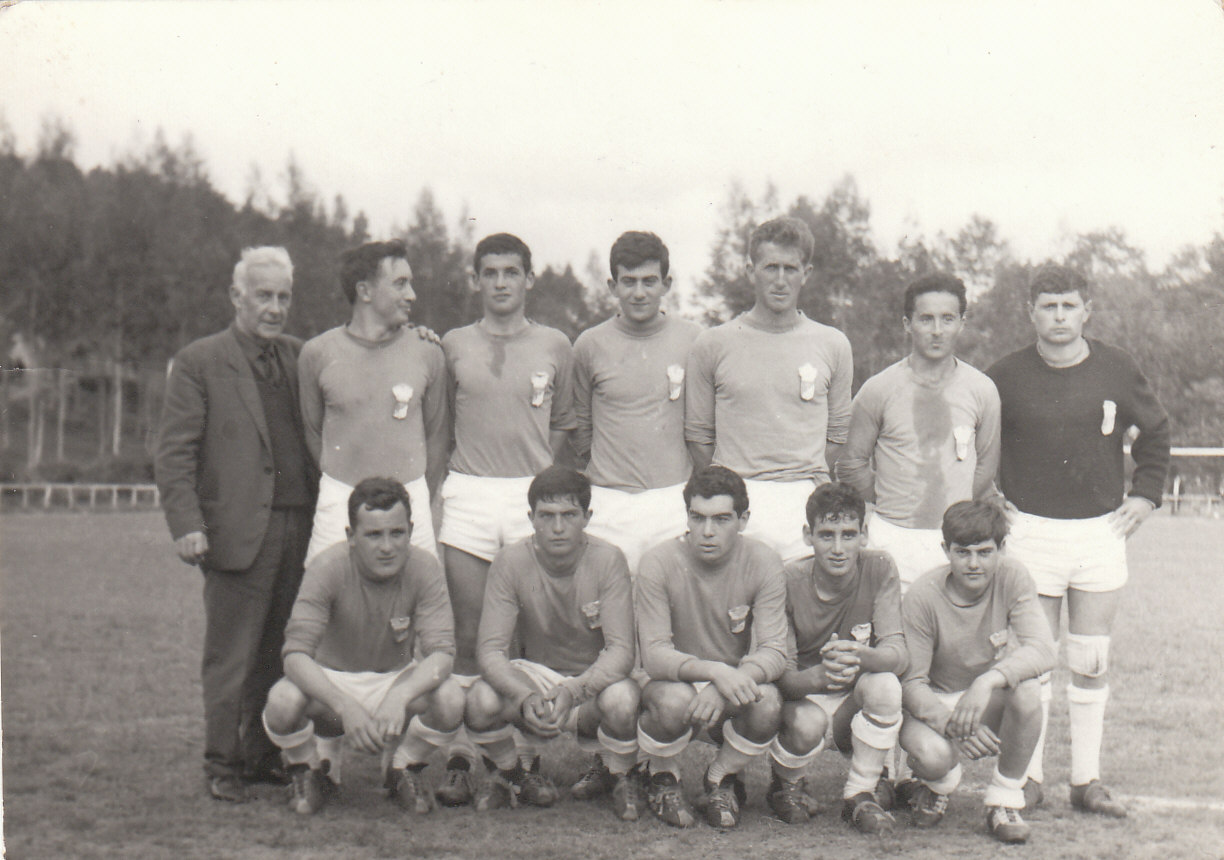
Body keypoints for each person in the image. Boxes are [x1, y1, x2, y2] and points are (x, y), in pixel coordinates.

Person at [987, 263, 1170, 816]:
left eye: (1069, 305)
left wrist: (1146, 494)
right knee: (1035, 662)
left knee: (1091, 658)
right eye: (1049, 306)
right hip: (1030, 531)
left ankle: (1086, 781)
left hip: (1098, 530)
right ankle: (1029, 777)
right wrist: (986, 492)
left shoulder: (1117, 367)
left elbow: (1156, 430)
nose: (1060, 316)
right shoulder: (1005, 374)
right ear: (1031, 313)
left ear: (1087, 310)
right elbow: (974, 435)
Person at [154, 246, 318, 803]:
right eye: (263, 295)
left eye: (283, 297)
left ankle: (261, 756)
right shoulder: (199, 361)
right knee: (232, 657)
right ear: (236, 297)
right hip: (237, 534)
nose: (275, 307)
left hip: (300, 529)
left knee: (279, 652)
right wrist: (186, 523)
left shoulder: (301, 356)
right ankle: (221, 764)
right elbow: (174, 453)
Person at [436, 233, 577, 803]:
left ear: (528, 279)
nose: (500, 282)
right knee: (470, 632)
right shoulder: (451, 344)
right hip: (469, 494)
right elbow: (441, 421)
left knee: (522, 634)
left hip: (529, 498)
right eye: (489, 272)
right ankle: (462, 756)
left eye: (511, 272)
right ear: (475, 280)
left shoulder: (555, 344)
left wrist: (538, 470)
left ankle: (521, 759)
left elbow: (563, 422)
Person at [261, 478, 464, 815]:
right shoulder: (326, 567)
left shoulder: (425, 567)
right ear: (351, 536)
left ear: (411, 531)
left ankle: (403, 766)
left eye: (396, 533)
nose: (387, 547)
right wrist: (344, 706)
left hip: (393, 681)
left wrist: (400, 696)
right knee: (282, 701)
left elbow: (442, 653)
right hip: (332, 685)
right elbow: (295, 656)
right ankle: (308, 767)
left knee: (451, 697)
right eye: (373, 535)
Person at [463, 467, 642, 820]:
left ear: (587, 517)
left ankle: (617, 773)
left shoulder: (608, 558)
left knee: (623, 700)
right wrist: (523, 695)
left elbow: (621, 651)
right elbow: (490, 650)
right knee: (481, 699)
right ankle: (512, 772)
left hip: (591, 682)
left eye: (569, 515)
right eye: (546, 516)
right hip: (535, 679)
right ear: (531, 518)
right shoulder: (510, 560)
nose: (558, 527)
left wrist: (573, 691)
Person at [686, 216, 853, 564]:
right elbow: (699, 437)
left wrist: (799, 474)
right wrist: (732, 488)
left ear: (806, 273)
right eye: (770, 268)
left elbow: (837, 434)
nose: (780, 280)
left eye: (790, 269)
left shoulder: (833, 344)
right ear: (751, 271)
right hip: (737, 498)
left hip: (803, 496)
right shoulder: (713, 343)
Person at [634, 466, 788, 829]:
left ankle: (722, 777)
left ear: (743, 520)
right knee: (673, 701)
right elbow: (654, 655)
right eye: (697, 517)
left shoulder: (764, 560)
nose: (706, 531)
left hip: (729, 687)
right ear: (687, 516)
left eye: (721, 519)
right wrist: (716, 672)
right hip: (674, 683)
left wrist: (725, 683)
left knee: (767, 702)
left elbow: (774, 650)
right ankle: (662, 776)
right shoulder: (658, 560)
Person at [899, 501, 1056, 844]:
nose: (973, 564)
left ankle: (1004, 799)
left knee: (1028, 690)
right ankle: (937, 786)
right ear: (946, 550)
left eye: (984, 552)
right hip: (935, 702)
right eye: (963, 552)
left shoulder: (1013, 576)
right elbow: (911, 683)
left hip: (980, 698)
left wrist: (987, 681)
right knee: (934, 757)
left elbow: (1044, 649)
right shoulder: (922, 595)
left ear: (1002, 548)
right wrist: (950, 724)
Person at [837, 272, 1001, 590]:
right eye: (926, 319)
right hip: (893, 538)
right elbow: (851, 463)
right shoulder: (879, 389)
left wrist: (957, 512)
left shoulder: (982, 389)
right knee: (891, 621)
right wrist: (892, 500)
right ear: (907, 324)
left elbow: (985, 465)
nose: (937, 331)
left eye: (947, 319)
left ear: (962, 323)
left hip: (957, 540)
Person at [298, 239, 447, 565]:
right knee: (326, 593)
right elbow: (313, 432)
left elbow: (437, 436)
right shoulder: (317, 353)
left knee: (420, 593)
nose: (412, 295)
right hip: (339, 502)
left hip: (410, 504)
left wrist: (414, 498)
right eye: (400, 284)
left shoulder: (428, 351)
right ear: (364, 291)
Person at [772, 483, 907, 833]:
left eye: (848, 535)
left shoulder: (879, 567)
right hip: (807, 696)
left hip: (852, 700)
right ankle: (786, 783)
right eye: (826, 535)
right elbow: (783, 677)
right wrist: (819, 675)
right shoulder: (788, 579)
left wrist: (860, 656)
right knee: (804, 723)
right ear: (808, 535)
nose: (837, 548)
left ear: (864, 535)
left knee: (886, 685)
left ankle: (861, 791)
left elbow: (897, 654)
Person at [572, 230, 701, 571]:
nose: (639, 293)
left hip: (674, 499)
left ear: (666, 284)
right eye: (628, 282)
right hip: (609, 503)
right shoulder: (589, 344)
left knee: (671, 596)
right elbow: (581, 428)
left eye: (649, 281)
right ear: (612, 286)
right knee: (610, 599)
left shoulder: (694, 340)